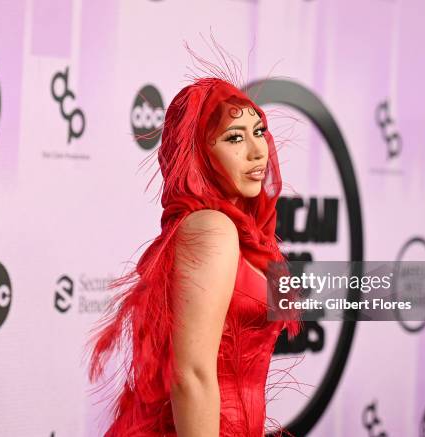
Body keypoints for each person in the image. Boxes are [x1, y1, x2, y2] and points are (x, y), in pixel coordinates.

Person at [85, 75, 303, 436]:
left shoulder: (238, 231)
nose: (258, 150)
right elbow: (191, 375)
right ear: (199, 153)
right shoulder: (210, 229)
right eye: (234, 137)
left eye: (259, 131)